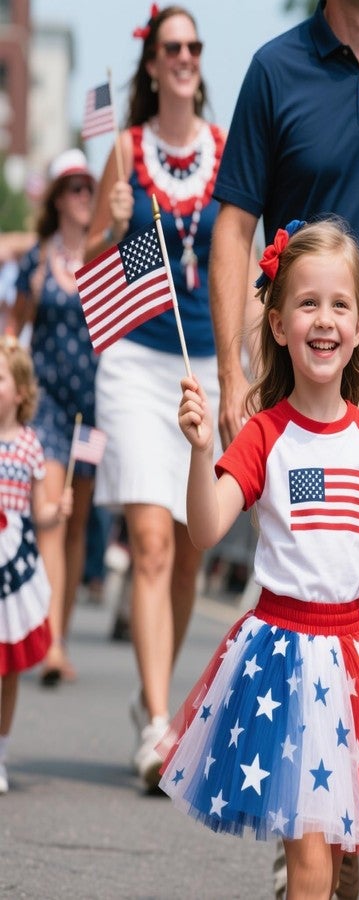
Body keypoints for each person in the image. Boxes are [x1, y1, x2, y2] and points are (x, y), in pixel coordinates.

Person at [159, 218, 359, 900]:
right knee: (307, 862)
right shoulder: (266, 433)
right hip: (280, 659)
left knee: (325, 860)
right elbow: (207, 528)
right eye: (306, 304)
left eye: (338, 306)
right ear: (276, 324)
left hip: (349, 660)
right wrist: (197, 449)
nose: (323, 320)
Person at [85, 4, 226, 792]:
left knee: (189, 551)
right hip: (137, 364)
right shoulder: (127, 150)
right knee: (150, 541)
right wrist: (107, 231)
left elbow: (239, 249)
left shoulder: (225, 147)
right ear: (151, 61)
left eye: (194, 46)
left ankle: (156, 704)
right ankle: (158, 721)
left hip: (202, 364)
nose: (185, 56)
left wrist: (241, 364)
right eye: (173, 45)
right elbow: (90, 262)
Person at [9, 148, 98, 687]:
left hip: (91, 410)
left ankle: (56, 628)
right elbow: (14, 332)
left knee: (79, 524)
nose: (83, 196)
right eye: (74, 188)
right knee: (54, 515)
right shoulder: (37, 261)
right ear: (59, 198)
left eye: (88, 187)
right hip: (44, 408)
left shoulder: (104, 257)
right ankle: (54, 643)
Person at [0, 337, 72, 794]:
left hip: (13, 562)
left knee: (7, 667)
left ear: (21, 392)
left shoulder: (29, 446)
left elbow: (38, 511)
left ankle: (1, 750)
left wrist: (57, 508)